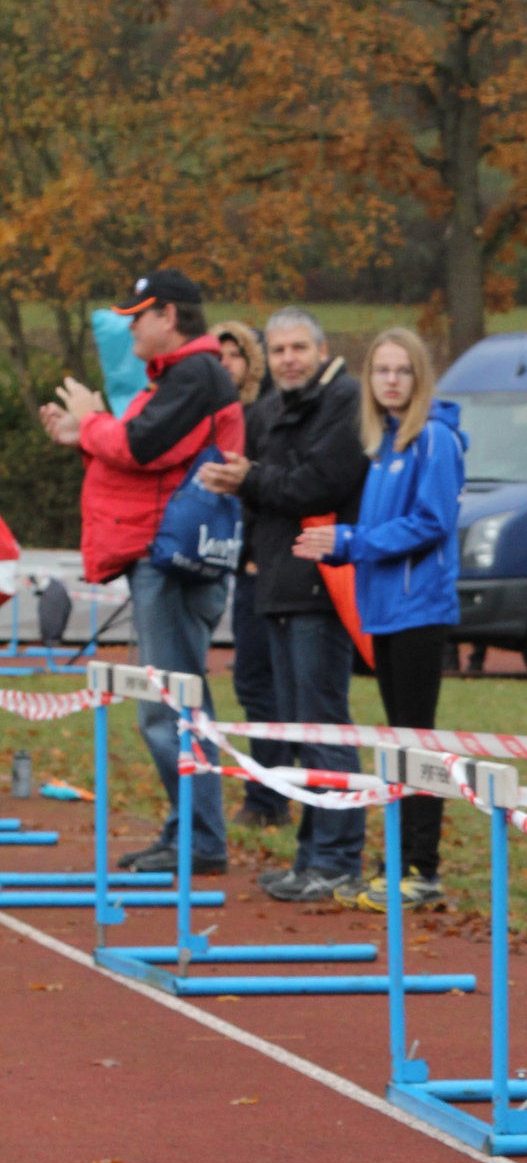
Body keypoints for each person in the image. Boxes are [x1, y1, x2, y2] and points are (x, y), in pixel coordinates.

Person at [38, 267, 243, 874]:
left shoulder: (195, 373)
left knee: (168, 707)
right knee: (172, 704)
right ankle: (188, 832)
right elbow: (138, 453)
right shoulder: (181, 376)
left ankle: (200, 840)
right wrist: (85, 436)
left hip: (172, 560)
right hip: (162, 556)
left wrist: (92, 421)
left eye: (138, 316)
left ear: (169, 316)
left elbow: (137, 447)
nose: (129, 328)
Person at [197, 310, 369, 901]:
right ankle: (309, 856)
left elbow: (318, 484)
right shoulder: (268, 409)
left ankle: (339, 858)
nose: (289, 359)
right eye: (278, 350)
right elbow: (264, 488)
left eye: (299, 347)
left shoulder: (346, 401)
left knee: (324, 726)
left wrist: (252, 480)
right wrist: (249, 537)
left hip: (321, 585)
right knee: (297, 727)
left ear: (322, 349)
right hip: (274, 583)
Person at [292, 327, 466, 909]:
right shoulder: (384, 444)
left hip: (420, 609)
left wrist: (350, 541)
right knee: (396, 739)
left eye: (402, 370)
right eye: (381, 370)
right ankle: (397, 862)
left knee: (415, 737)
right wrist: (342, 544)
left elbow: (432, 522)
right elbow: (379, 529)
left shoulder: (433, 438)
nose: (391, 381)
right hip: (385, 609)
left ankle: (422, 869)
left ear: (420, 377)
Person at [210, 320, 290, 831]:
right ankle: (270, 791)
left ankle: (268, 798)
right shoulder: (209, 416)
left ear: (252, 362)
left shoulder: (265, 414)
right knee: (253, 682)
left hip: (264, 564)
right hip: (228, 562)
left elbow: (268, 487)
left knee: (262, 682)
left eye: (234, 356)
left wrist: (258, 548)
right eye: (216, 358)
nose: (225, 366)